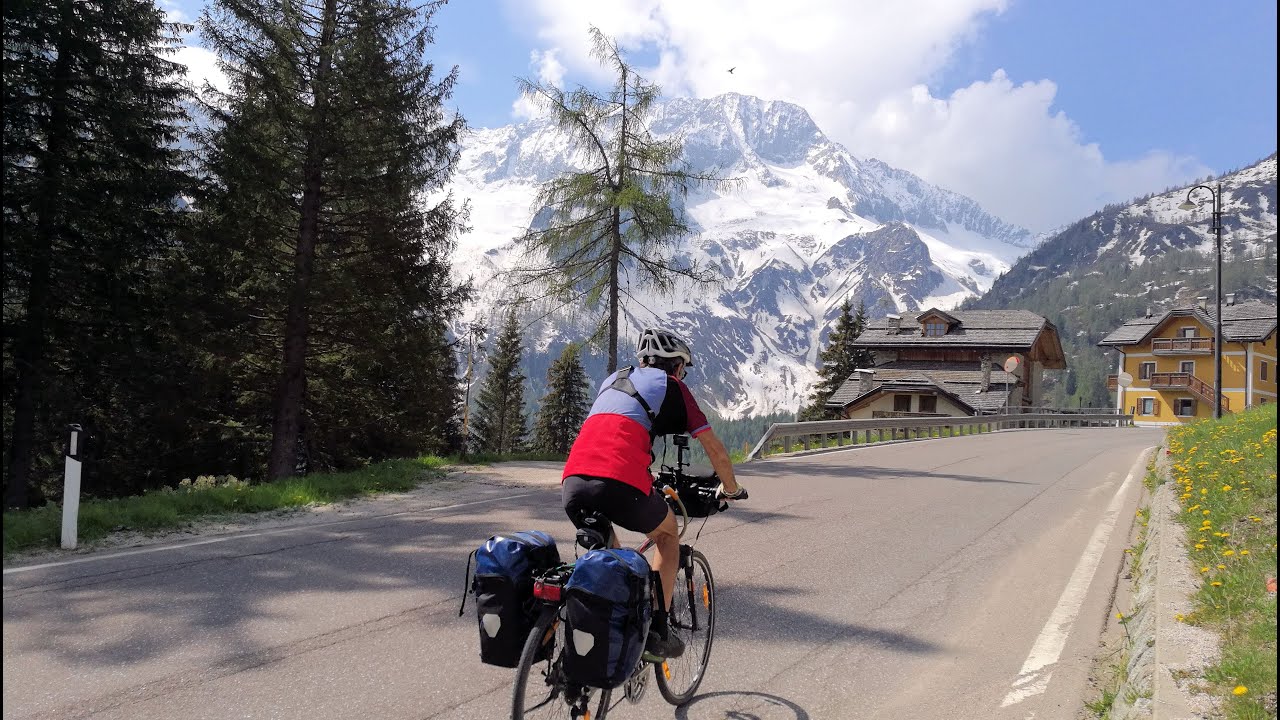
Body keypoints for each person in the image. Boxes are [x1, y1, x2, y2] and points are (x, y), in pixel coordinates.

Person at [561, 327, 747, 661]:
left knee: (613, 562)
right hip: (618, 481)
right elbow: (716, 452)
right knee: (667, 534)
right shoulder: (673, 386)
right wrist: (733, 489)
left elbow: (615, 433)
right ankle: (658, 632)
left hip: (572, 482)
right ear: (676, 366)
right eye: (683, 369)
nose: (682, 375)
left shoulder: (613, 380)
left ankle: (605, 632)